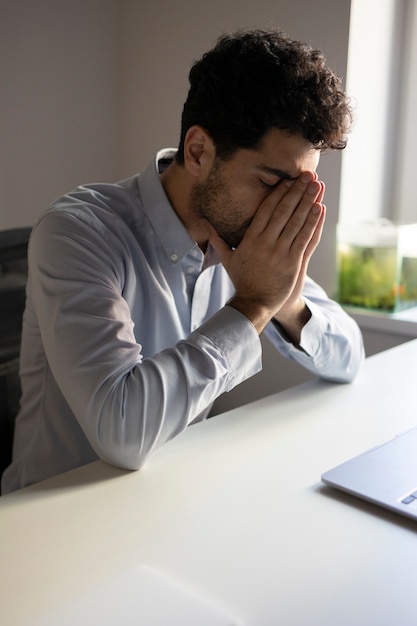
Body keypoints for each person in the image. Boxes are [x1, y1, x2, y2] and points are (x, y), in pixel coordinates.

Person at [1, 28, 364, 494]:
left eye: (303, 185)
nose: (288, 208)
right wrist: (253, 305)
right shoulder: (78, 232)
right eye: (273, 182)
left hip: (172, 503)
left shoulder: (248, 242)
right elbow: (122, 431)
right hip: (47, 522)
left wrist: (286, 300)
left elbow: (348, 357)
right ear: (198, 152)